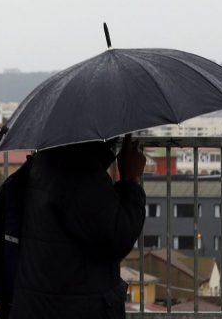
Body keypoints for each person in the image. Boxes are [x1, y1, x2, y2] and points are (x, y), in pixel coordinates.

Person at [10, 135, 146, 319]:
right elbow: (117, 235)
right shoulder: (80, 171)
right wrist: (131, 179)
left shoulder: (46, 160)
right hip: (75, 305)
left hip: (40, 303)